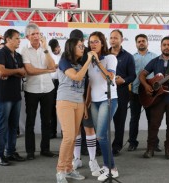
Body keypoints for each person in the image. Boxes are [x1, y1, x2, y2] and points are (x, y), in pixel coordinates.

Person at [139, 36, 169, 160]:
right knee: (154, 124)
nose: (166, 47)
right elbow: (142, 75)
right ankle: (150, 148)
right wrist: (146, 86)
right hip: (157, 98)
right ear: (161, 47)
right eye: (164, 44)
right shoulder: (155, 61)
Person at [56, 38, 94, 183]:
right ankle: (60, 170)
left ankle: (68, 169)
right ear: (71, 47)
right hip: (65, 101)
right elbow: (77, 77)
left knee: (73, 139)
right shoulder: (64, 61)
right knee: (69, 137)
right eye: (80, 46)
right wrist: (88, 61)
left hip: (78, 103)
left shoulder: (79, 64)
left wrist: (84, 105)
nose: (83, 48)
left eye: (83, 46)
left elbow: (82, 88)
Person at [21, 23, 57, 160]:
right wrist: (47, 71)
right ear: (27, 36)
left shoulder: (45, 48)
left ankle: (45, 149)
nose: (37, 36)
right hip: (32, 89)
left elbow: (52, 65)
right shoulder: (24, 50)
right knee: (30, 121)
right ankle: (30, 151)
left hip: (48, 88)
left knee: (46, 121)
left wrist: (46, 49)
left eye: (38, 33)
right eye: (33, 34)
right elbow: (30, 71)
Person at [87, 31, 119, 181]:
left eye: (96, 41)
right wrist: (86, 102)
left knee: (101, 135)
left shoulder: (110, 58)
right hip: (94, 101)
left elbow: (109, 77)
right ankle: (106, 167)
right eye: (91, 42)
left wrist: (98, 61)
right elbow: (89, 84)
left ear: (102, 43)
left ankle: (112, 168)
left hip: (108, 99)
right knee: (101, 137)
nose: (93, 44)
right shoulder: (88, 61)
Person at [69, 29, 100, 175]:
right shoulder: (67, 56)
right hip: (71, 98)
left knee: (89, 128)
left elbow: (90, 81)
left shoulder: (89, 55)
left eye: (80, 41)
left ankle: (93, 160)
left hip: (88, 96)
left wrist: (86, 103)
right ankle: (77, 158)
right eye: (75, 41)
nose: (79, 44)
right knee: (75, 130)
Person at [0, 29, 26, 166]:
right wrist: (17, 71)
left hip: (16, 95)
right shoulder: (0, 53)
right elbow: (0, 71)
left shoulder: (18, 55)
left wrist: (12, 72)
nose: (19, 40)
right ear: (8, 39)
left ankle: (10, 152)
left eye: (19, 38)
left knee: (13, 126)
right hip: (4, 95)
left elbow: (23, 73)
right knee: (2, 127)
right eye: (17, 38)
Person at [127, 34, 161, 152]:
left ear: (147, 43)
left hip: (150, 92)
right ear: (136, 43)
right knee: (134, 119)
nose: (141, 43)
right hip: (135, 92)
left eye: (143, 41)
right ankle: (132, 143)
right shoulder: (131, 58)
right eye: (139, 41)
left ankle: (154, 143)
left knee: (152, 119)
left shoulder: (155, 57)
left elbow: (158, 75)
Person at [109, 29, 136, 156]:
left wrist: (124, 80)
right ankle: (98, 146)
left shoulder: (128, 56)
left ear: (121, 40)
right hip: (104, 92)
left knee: (119, 121)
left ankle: (117, 146)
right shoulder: (104, 54)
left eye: (115, 38)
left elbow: (133, 75)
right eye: (111, 38)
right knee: (102, 122)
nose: (113, 40)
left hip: (121, 92)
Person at [48, 38, 62, 139]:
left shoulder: (64, 55)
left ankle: (64, 131)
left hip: (61, 84)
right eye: (53, 50)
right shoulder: (48, 56)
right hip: (51, 83)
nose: (55, 51)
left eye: (56, 49)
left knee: (62, 108)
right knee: (51, 108)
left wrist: (56, 65)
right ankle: (52, 131)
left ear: (58, 47)